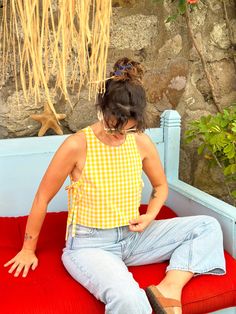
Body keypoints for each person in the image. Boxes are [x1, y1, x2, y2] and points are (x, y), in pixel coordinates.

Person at [3, 57, 226, 314]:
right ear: (103, 108)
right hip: (91, 245)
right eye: (115, 125)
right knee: (130, 300)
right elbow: (43, 196)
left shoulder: (140, 142)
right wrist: (28, 249)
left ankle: (168, 290)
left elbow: (161, 187)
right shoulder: (77, 144)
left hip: (135, 237)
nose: (121, 133)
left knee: (207, 226)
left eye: (128, 127)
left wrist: (149, 216)